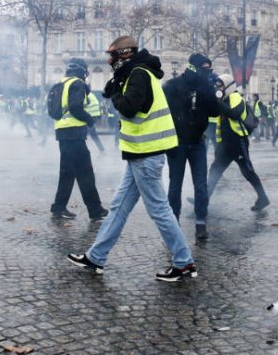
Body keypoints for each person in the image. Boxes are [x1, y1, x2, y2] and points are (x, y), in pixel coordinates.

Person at [67, 36, 196, 281]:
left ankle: (184, 263)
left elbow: (128, 107)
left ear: (124, 54)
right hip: (140, 153)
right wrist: (116, 82)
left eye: (112, 55)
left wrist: (116, 91)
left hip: (146, 154)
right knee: (118, 207)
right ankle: (96, 257)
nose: (108, 60)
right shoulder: (136, 72)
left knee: (159, 210)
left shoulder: (139, 74)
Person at [163, 53, 221, 241]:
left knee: (201, 186)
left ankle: (201, 224)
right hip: (177, 143)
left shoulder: (204, 86)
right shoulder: (173, 86)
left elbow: (215, 110)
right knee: (175, 186)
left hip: (197, 142)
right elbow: (165, 114)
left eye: (210, 70)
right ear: (195, 68)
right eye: (206, 69)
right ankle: (174, 224)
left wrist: (210, 91)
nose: (208, 73)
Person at [49, 58, 108, 221]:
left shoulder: (60, 83)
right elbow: (75, 107)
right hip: (74, 133)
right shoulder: (77, 84)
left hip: (62, 132)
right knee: (85, 173)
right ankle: (95, 210)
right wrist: (89, 120)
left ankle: (58, 208)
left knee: (67, 173)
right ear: (81, 70)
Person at [206, 73, 270, 211]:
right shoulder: (224, 99)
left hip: (238, 142)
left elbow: (234, 114)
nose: (218, 87)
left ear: (228, 86)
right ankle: (203, 200)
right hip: (225, 144)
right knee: (214, 171)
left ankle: (263, 198)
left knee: (248, 172)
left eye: (221, 85)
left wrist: (218, 103)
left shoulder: (236, 97)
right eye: (217, 85)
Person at [84, 89, 106, 154]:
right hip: (94, 116)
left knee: (87, 133)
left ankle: (101, 149)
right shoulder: (90, 94)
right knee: (92, 134)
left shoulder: (84, 95)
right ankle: (101, 149)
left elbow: (83, 105)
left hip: (91, 116)